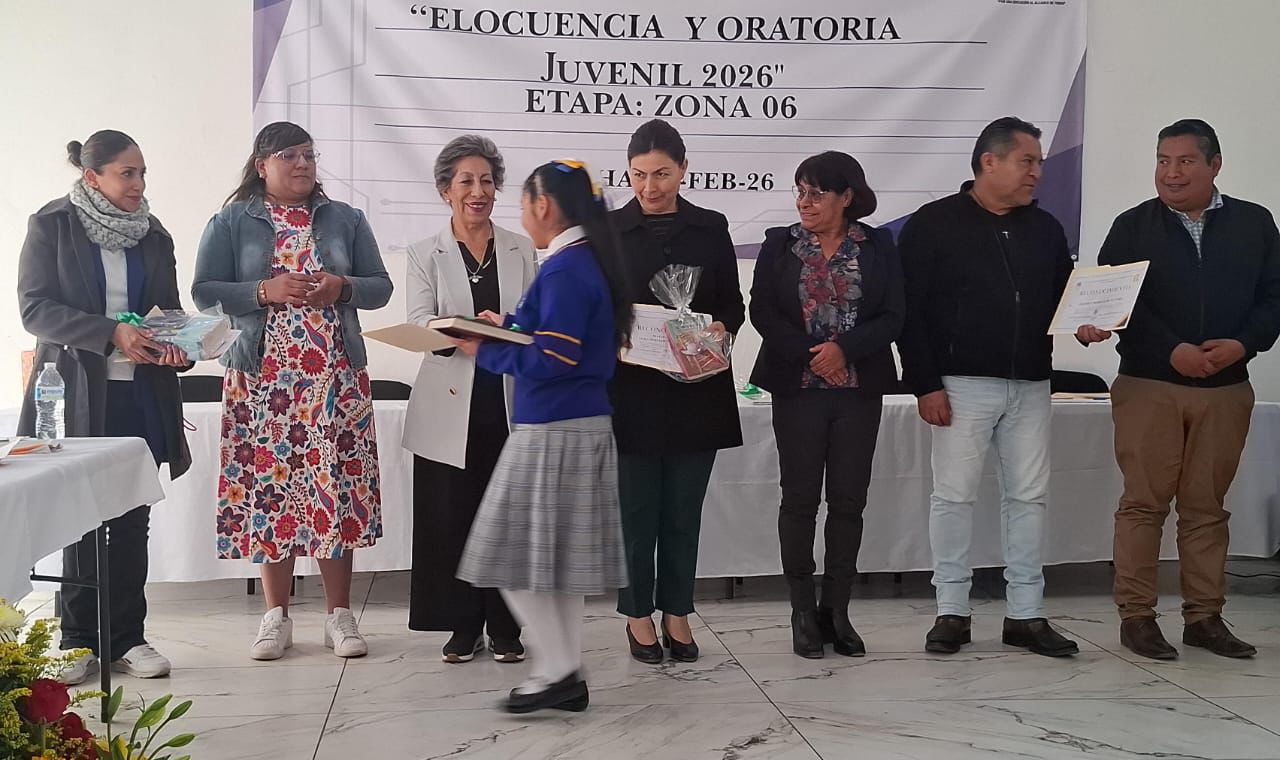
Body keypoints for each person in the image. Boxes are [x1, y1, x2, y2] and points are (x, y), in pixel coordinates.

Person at [1077, 119, 1280, 660]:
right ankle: (1137, 617)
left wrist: (1244, 343)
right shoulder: (1132, 226)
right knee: (1144, 505)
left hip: (1226, 388)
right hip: (1149, 385)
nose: (1171, 173)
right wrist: (1171, 349)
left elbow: (1274, 296)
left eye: (1185, 161)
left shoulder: (1255, 223)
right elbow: (1117, 304)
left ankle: (1204, 618)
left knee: (1206, 508)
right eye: (1163, 161)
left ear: (1215, 165)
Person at [192, 121, 393, 662]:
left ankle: (339, 615)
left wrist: (341, 287)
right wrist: (265, 290)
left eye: (308, 154)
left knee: (336, 486)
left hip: (334, 377)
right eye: (289, 155)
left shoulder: (346, 218)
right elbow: (205, 292)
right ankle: (275, 616)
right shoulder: (232, 220)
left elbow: (380, 287)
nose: (302, 163)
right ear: (262, 165)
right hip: (262, 379)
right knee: (270, 490)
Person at [453, 159, 632, 713]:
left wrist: (486, 350)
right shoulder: (583, 262)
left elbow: (554, 357)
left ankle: (558, 671)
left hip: (553, 430)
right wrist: (507, 328)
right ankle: (564, 672)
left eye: (523, 203)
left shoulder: (565, 270)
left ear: (543, 206)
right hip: (575, 425)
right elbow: (555, 342)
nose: (522, 214)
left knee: (506, 557)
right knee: (556, 567)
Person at [897, 117, 1079, 658]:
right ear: (989, 162)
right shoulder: (934, 223)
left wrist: (1086, 321)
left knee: (1028, 497)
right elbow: (909, 313)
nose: (1037, 172)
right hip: (960, 384)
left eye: (1039, 163)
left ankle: (1026, 613)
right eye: (1028, 161)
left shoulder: (1045, 228)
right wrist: (925, 384)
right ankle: (951, 610)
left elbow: (1062, 299)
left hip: (1030, 383)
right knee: (953, 496)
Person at [17, 130, 191, 684]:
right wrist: (111, 332)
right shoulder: (53, 224)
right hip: (75, 395)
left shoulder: (154, 234)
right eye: (126, 173)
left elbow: (167, 309)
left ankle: (128, 637)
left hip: (141, 394)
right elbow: (35, 309)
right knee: (80, 520)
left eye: (142, 173)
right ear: (92, 177)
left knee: (132, 519)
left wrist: (180, 344)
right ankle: (76, 640)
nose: (139, 184)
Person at [748, 151, 904, 659]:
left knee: (848, 501)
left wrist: (845, 351)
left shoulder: (877, 245)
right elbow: (762, 311)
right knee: (799, 501)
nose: (805, 202)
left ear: (846, 197)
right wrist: (815, 356)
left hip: (859, 392)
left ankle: (837, 610)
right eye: (800, 191)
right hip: (798, 390)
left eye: (816, 192)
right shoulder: (780, 244)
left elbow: (894, 314)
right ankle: (802, 611)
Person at [609, 119, 745, 664]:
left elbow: (732, 303)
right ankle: (637, 614)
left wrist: (717, 332)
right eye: (639, 175)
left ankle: (678, 612)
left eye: (662, 174)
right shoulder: (609, 232)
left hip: (696, 391)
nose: (650, 187)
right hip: (632, 393)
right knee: (636, 513)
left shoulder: (710, 227)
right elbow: (593, 307)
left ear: (684, 169)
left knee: (684, 512)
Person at [402, 135, 536, 663]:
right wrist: (464, 330)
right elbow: (419, 321)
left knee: (507, 517)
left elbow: (535, 320)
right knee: (451, 517)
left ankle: (505, 625)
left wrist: (508, 327)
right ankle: (461, 624)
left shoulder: (521, 248)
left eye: (486, 181)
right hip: (448, 403)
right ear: (446, 190)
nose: (478, 191)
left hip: (508, 401)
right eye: (466, 181)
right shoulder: (424, 252)